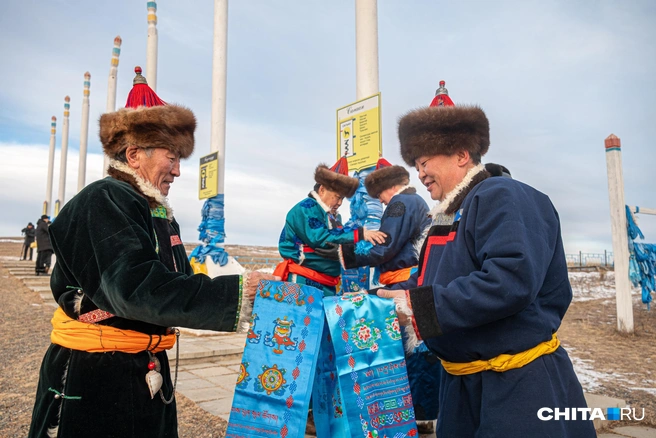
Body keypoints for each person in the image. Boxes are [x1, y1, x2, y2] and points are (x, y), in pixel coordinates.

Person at [28, 67, 277, 438]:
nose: (177, 171)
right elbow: (135, 287)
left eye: (180, 160)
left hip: (143, 364)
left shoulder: (155, 210)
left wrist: (245, 292)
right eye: (171, 158)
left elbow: (177, 282)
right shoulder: (104, 200)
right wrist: (235, 292)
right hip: (98, 374)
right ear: (133, 154)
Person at [378, 104, 596, 437]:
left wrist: (416, 306)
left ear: (461, 154)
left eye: (423, 162)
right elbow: (432, 279)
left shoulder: (503, 195)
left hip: (516, 388)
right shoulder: (448, 215)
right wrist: (378, 299)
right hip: (461, 387)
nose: (419, 174)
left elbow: (510, 279)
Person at [275, 158, 386, 297]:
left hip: (327, 282)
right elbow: (319, 238)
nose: (339, 203)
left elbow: (340, 237)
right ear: (322, 190)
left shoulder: (334, 217)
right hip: (304, 281)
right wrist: (359, 234)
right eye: (337, 197)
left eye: (342, 199)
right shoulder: (307, 208)